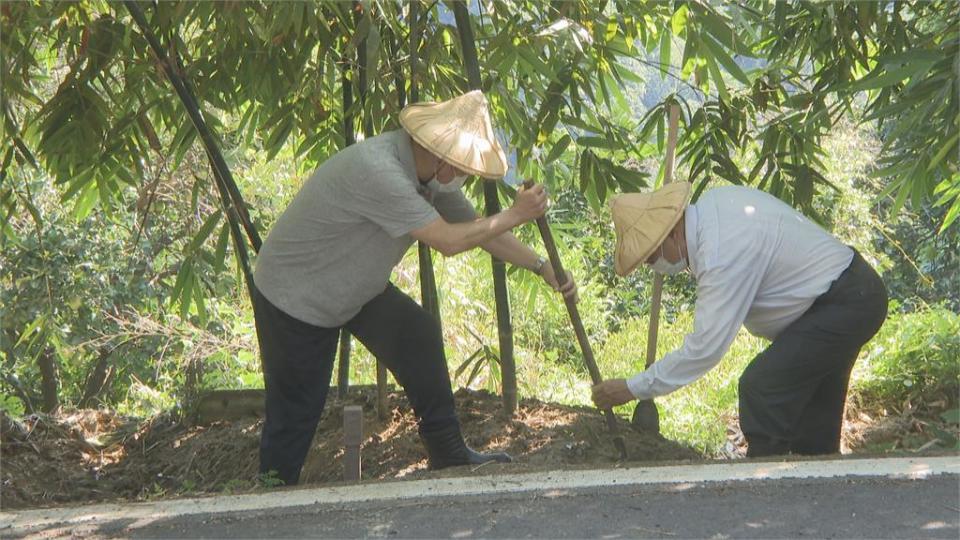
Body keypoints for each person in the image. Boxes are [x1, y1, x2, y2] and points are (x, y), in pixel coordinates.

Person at [252, 90, 577, 485]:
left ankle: (449, 453)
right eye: (462, 169)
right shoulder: (380, 171)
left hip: (354, 286)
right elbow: (449, 242)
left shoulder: (434, 179)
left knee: (417, 334)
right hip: (297, 293)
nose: (465, 177)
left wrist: (541, 266)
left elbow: (479, 231)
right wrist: (515, 213)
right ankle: (270, 495)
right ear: (441, 157)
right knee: (298, 408)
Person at [591, 182, 887, 457]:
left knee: (761, 387)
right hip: (845, 296)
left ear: (672, 232)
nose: (655, 266)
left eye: (652, 256)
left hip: (844, 303)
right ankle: (815, 493)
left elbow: (705, 348)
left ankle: (762, 486)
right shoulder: (715, 205)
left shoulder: (720, 251)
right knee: (813, 421)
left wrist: (632, 388)